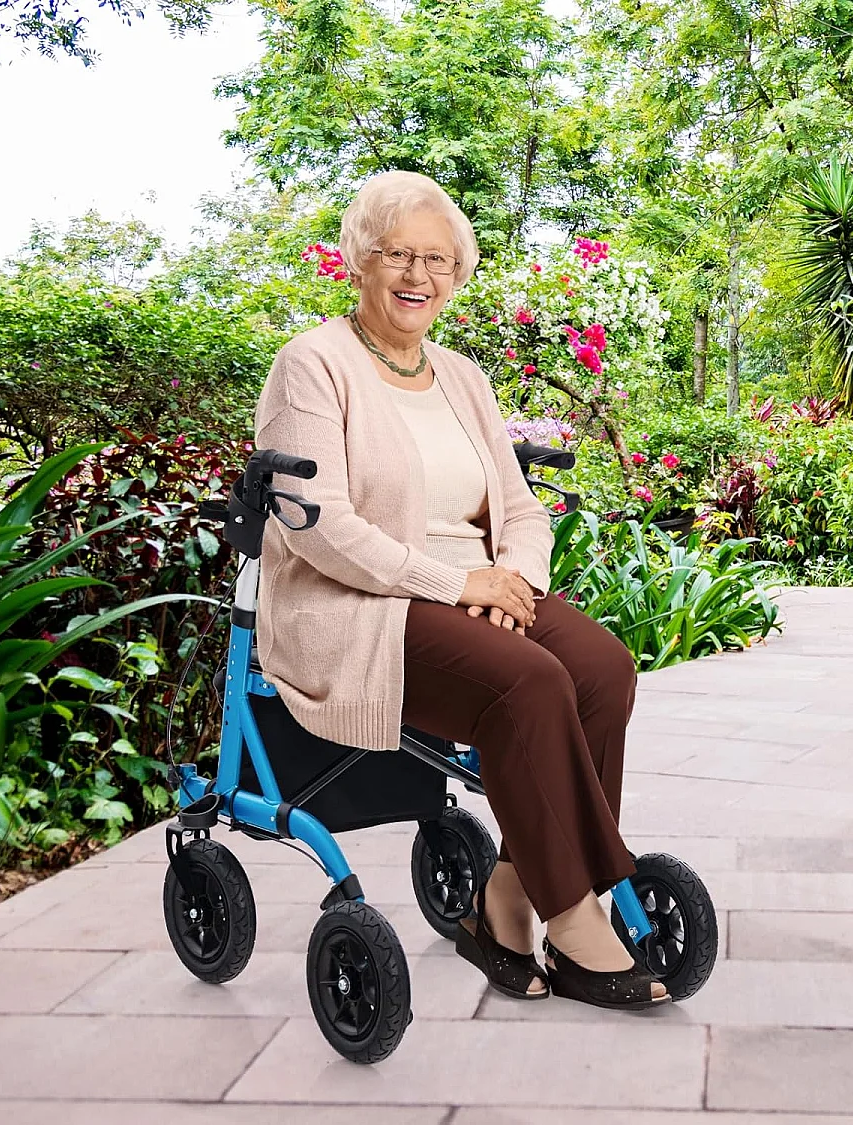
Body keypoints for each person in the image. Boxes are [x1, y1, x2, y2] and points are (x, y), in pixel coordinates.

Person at [250, 170, 667, 1009]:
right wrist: (452, 581)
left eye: (436, 260)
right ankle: (574, 916)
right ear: (359, 261)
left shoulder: (462, 376)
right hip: (359, 604)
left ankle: (508, 891)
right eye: (398, 254)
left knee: (601, 667)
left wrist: (509, 579)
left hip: (472, 590)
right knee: (528, 682)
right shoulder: (312, 365)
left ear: (457, 274)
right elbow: (319, 526)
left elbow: (520, 508)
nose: (417, 276)